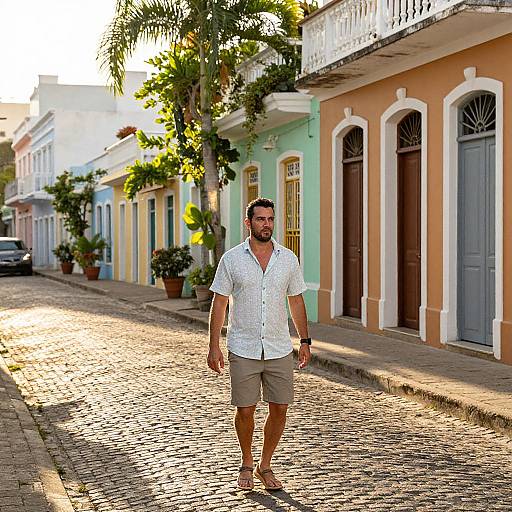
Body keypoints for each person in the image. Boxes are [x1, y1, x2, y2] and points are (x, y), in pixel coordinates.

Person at [207, 197, 311, 491]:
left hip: (279, 346)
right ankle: (246, 462)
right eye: (261, 219)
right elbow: (220, 302)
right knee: (245, 410)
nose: (266, 224)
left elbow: (296, 300)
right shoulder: (232, 259)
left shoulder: (288, 259)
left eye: (270, 219)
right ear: (248, 222)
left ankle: (265, 465)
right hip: (243, 346)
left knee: (280, 407)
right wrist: (213, 345)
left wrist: (305, 340)